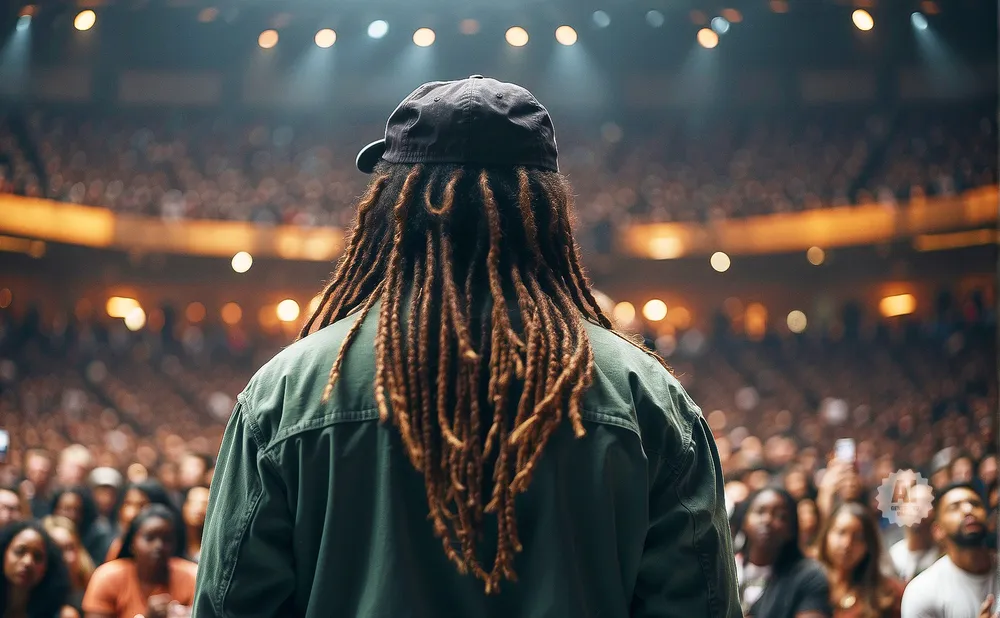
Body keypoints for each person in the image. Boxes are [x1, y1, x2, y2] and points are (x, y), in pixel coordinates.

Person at [194, 76, 740, 617]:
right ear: (548, 208)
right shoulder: (647, 398)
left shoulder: (286, 393)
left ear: (391, 205)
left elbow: (231, 605)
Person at [901, 483, 998, 618]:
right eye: (954, 507)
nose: (968, 509)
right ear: (938, 530)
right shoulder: (921, 591)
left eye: (975, 504)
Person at [82, 505, 197, 618]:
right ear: (132, 543)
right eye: (150, 538)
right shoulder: (107, 577)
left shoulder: (192, 576)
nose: (159, 546)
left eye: (167, 539)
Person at [736, 487, 832, 618]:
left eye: (780, 516)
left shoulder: (809, 576)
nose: (767, 520)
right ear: (744, 521)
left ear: (792, 529)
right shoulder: (726, 567)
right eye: (760, 512)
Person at [815, 503, 904, 617]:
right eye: (841, 533)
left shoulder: (888, 592)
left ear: (869, 546)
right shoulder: (809, 584)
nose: (847, 544)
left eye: (858, 537)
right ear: (826, 534)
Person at [0, 520, 72, 618]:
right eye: (20, 551)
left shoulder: (63, 615)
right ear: (3, 553)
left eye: (38, 557)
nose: (28, 562)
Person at [104, 481, 180, 562]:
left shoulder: (176, 561)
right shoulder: (116, 547)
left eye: (142, 505)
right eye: (127, 503)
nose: (131, 514)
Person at [42, 516, 94, 615]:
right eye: (58, 550)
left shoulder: (92, 582)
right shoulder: (36, 596)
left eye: (71, 547)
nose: (70, 558)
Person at [49, 488, 112, 570]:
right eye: (67, 509)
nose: (72, 515)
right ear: (55, 509)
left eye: (77, 510)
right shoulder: (45, 534)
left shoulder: (92, 539)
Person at [180, 487, 208, 564]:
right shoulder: (174, 537)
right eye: (194, 503)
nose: (199, 509)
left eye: (205, 504)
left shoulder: (212, 543)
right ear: (185, 506)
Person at [23, 450, 55, 519]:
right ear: (27, 472)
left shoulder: (54, 500)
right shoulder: (18, 496)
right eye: (33, 472)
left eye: (43, 472)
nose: (38, 476)